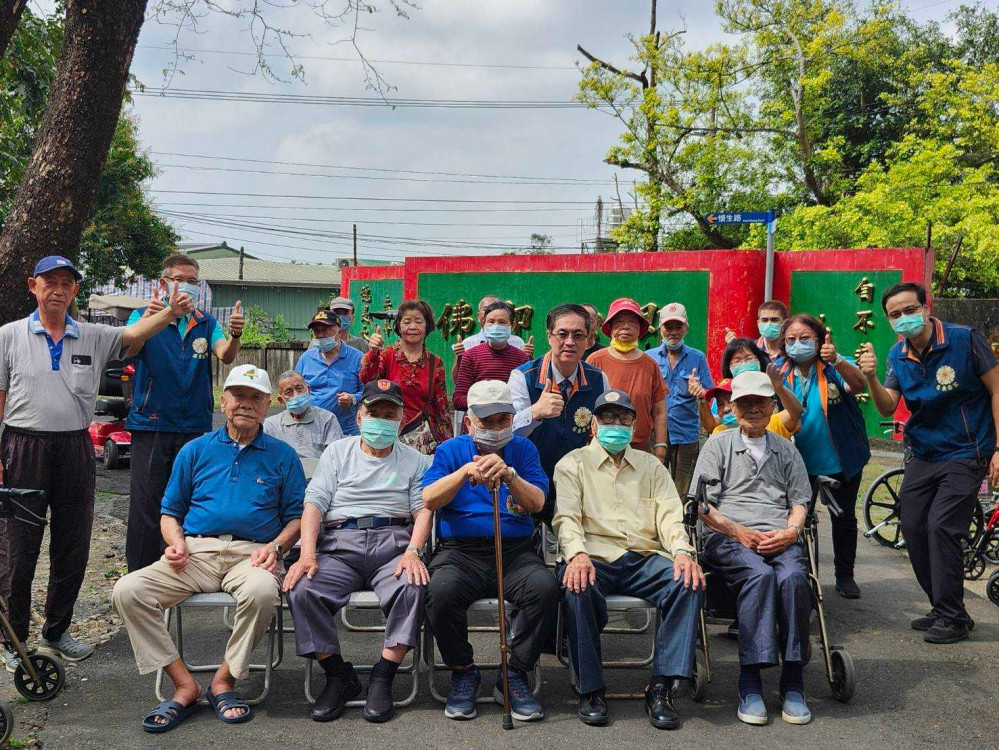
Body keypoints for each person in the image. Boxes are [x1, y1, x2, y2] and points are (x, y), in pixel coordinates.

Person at [0, 255, 195, 667]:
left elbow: (135, 331)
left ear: (75, 291)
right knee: (19, 549)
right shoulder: (9, 336)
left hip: (74, 447)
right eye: (49, 281)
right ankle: (14, 641)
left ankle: (57, 631)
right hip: (22, 447)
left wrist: (169, 312)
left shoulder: (92, 335)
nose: (57, 288)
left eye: (66, 282)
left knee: (73, 545)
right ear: (32, 285)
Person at [111, 364, 305, 731]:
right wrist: (176, 544)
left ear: (268, 406)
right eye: (238, 396)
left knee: (264, 592)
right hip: (195, 554)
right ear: (224, 400)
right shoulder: (195, 450)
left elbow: (296, 519)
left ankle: (224, 681)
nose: (246, 404)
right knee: (127, 590)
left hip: (253, 553)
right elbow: (170, 513)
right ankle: (183, 684)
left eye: (255, 398)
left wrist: (277, 548)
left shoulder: (283, 455)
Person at [554, 389, 704, 730]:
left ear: (635, 426)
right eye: (608, 418)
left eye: (624, 419)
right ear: (593, 424)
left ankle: (662, 685)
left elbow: (669, 515)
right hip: (593, 557)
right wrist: (576, 554)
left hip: (643, 558)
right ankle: (591, 689)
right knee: (577, 587)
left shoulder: (651, 466)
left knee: (688, 581)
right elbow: (566, 518)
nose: (616, 425)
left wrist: (682, 552)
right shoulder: (572, 464)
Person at [859, 282, 999, 644]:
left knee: (941, 527)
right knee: (913, 525)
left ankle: (952, 616)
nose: (903, 318)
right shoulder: (896, 356)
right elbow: (888, 406)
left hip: (967, 451)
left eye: (909, 310)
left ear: (926, 306)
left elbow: (997, 389)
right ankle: (943, 606)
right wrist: (871, 377)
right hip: (923, 453)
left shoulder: (965, 340)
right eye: (895, 315)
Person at [284, 379, 430, 723]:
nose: (380, 420)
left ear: (401, 418)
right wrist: (307, 553)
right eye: (373, 412)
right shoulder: (338, 451)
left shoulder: (416, 460)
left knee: (413, 585)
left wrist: (414, 551)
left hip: (394, 543)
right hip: (339, 544)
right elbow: (314, 503)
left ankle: (383, 676)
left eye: (389, 413)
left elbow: (423, 510)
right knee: (301, 587)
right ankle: (337, 675)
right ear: (360, 418)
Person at [423, 380, 559, 722]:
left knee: (544, 588)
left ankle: (514, 672)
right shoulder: (450, 450)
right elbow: (429, 499)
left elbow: (538, 502)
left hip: (514, 552)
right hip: (460, 553)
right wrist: (464, 472)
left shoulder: (524, 450)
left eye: (503, 420)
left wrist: (511, 476)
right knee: (439, 592)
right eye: (488, 421)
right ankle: (464, 669)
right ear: (469, 422)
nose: (497, 428)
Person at [691, 371, 814, 726]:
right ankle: (751, 682)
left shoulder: (786, 449)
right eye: (745, 403)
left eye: (760, 402)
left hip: (780, 535)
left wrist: (792, 532)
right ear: (732, 406)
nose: (753, 409)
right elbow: (701, 505)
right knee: (759, 576)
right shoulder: (718, 445)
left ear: (772, 405)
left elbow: (801, 500)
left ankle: (793, 680)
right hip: (728, 536)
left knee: (793, 578)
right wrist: (738, 531)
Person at [124, 253, 246, 572]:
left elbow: (226, 356)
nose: (188, 286)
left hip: (193, 426)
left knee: (187, 504)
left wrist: (235, 335)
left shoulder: (206, 323)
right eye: (181, 279)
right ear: (164, 283)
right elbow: (130, 348)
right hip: (151, 424)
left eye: (194, 281)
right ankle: (139, 578)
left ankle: (183, 573)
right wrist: (161, 317)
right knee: (146, 507)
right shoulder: (142, 315)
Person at [776, 314, 869, 600]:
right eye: (791, 339)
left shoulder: (832, 367)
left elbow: (859, 385)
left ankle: (845, 576)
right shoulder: (778, 373)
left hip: (841, 459)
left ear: (819, 341)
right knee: (795, 521)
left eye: (805, 339)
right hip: (796, 464)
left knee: (843, 519)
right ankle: (799, 576)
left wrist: (837, 359)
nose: (797, 344)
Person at [508, 303, 610, 525]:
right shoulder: (523, 376)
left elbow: (604, 431)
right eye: (562, 334)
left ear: (588, 339)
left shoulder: (598, 379)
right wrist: (535, 412)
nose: (570, 342)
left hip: (580, 482)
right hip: (532, 478)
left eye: (578, 335)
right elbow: (507, 432)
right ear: (549, 336)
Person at [361, 299, 453, 454]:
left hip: (421, 439)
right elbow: (366, 379)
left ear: (427, 326)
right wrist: (373, 352)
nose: (412, 327)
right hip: (386, 431)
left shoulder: (435, 362)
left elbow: (441, 408)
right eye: (407, 322)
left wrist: (448, 446)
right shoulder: (386, 355)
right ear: (398, 326)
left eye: (418, 321)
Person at [586, 298, 668, 460]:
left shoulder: (650, 365)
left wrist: (660, 445)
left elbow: (659, 411)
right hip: (601, 445)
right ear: (610, 327)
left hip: (640, 446)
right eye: (619, 322)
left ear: (640, 328)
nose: (626, 326)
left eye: (632, 322)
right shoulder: (595, 360)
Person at [648, 303, 713, 498]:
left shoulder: (697, 357)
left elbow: (709, 392)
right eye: (669, 327)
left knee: (682, 491)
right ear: (660, 328)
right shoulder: (648, 358)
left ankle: (679, 525)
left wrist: (701, 392)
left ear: (686, 328)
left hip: (686, 434)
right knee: (652, 487)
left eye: (678, 327)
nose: (673, 332)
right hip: (655, 434)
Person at [452, 300, 530, 417]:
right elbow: (458, 400)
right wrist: (487, 403)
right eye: (491, 322)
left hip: (510, 427)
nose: (496, 326)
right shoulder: (471, 356)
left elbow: (526, 399)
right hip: (476, 428)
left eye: (502, 322)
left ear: (512, 325)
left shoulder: (522, 359)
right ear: (484, 324)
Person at [295, 309, 364, 437]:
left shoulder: (357, 358)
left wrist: (353, 398)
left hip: (346, 431)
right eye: (317, 331)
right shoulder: (306, 358)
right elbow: (296, 389)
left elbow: (367, 392)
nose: (321, 335)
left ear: (339, 332)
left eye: (326, 330)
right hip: (312, 429)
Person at [696, 366, 802, 439]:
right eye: (720, 404)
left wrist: (780, 389)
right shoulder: (719, 432)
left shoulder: (770, 422)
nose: (726, 409)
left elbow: (796, 413)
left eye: (730, 401)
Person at [263, 370, 343, 460]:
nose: (296, 395)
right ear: (281, 400)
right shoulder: (271, 425)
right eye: (289, 392)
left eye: (299, 388)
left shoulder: (327, 419)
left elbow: (335, 458)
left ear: (308, 390)